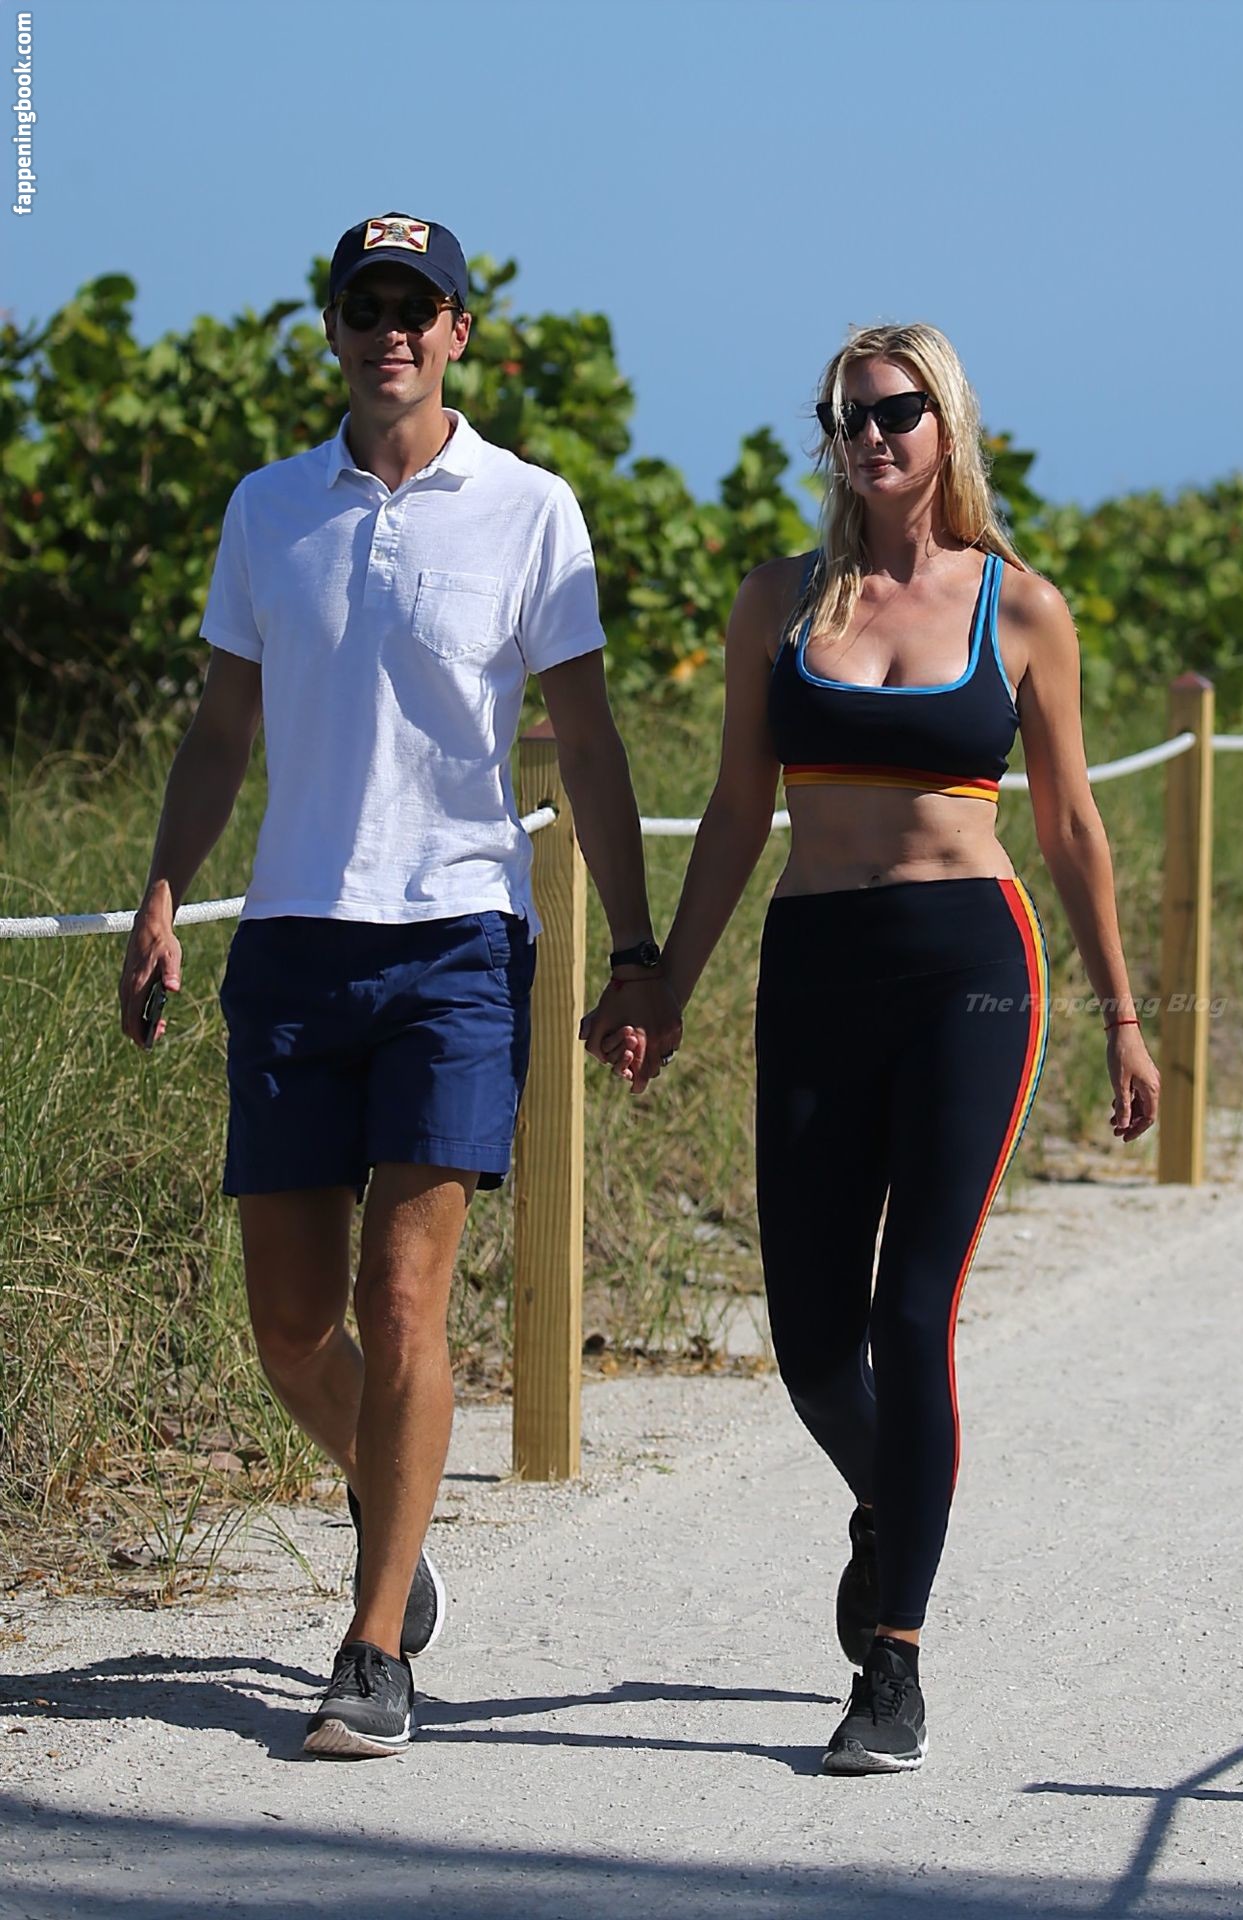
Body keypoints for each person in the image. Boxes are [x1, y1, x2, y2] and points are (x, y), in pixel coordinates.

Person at [119, 210, 681, 1759]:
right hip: (294, 940)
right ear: (335, 329)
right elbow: (220, 730)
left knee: (401, 1297)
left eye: (415, 308)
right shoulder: (267, 509)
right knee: (292, 1326)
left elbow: (589, 742)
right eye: (365, 307)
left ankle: (372, 1648)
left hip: (455, 944)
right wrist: (162, 889)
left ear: (457, 332)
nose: (390, 333)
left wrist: (638, 952)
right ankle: (396, 1505)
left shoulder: (530, 508)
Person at [584, 322, 1160, 1774]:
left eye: (896, 411)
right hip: (817, 968)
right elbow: (736, 810)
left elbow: (1071, 825)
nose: (870, 436)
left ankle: (892, 1660)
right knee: (810, 1341)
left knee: (913, 1316)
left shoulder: (1020, 608)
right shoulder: (776, 602)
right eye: (845, 416)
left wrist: (1124, 1017)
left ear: (945, 423)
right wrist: (662, 981)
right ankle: (894, 1503)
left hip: (972, 971)